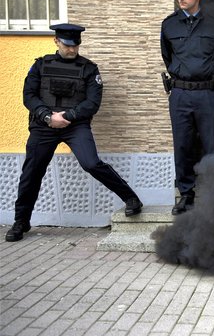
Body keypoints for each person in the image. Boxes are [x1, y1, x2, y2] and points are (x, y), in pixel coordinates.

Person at [5, 24, 143, 242]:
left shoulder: (89, 69)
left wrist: (67, 116)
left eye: (76, 45)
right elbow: (29, 96)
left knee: (91, 163)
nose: (72, 50)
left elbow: (92, 103)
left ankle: (131, 198)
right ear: (56, 41)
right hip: (44, 125)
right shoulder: (40, 66)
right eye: (68, 45)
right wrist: (47, 116)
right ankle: (21, 221)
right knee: (31, 172)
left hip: (75, 124)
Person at [161, 0, 214, 215]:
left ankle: (212, 194)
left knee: (211, 144)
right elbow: (167, 56)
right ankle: (186, 194)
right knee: (183, 145)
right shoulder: (168, 25)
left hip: (207, 94)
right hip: (180, 93)